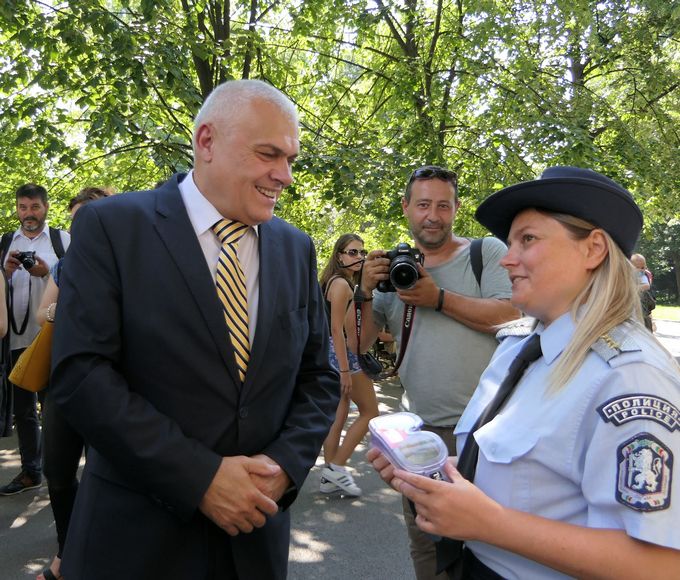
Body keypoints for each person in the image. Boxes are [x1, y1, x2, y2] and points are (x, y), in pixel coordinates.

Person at [50, 79, 339, 580]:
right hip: (136, 544)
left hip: (256, 541)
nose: (285, 175)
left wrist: (283, 468)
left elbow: (320, 376)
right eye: (269, 154)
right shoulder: (111, 227)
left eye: (291, 159)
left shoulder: (296, 248)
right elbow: (81, 374)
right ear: (206, 141)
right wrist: (200, 478)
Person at [370, 166, 680, 579]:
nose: (508, 258)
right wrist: (431, 472)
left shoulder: (629, 376)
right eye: (511, 242)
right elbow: (529, 474)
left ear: (593, 250)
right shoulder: (520, 344)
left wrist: (489, 524)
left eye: (528, 239)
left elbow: (661, 565)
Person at [353, 166, 519, 579]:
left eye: (443, 206)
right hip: (423, 435)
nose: (433, 216)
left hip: (491, 432)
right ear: (406, 207)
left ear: (456, 208)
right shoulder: (394, 273)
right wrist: (364, 291)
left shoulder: (486, 253)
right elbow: (359, 344)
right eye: (423, 204)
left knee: (497, 548)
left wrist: (438, 298)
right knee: (428, 545)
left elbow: (512, 314)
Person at [35, 187, 109, 580]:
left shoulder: (129, 262)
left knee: (106, 475)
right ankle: (67, 552)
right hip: (64, 383)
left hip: (113, 388)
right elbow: (41, 314)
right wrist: (56, 309)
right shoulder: (66, 266)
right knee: (58, 473)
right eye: (75, 220)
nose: (81, 227)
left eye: (88, 217)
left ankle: (100, 553)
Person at [0, 184, 70, 495]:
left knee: (53, 408)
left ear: (46, 207)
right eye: (23, 207)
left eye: (34, 207)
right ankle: (31, 472)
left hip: (51, 339)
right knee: (23, 411)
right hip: (15, 339)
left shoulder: (61, 240)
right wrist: (5, 272)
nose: (28, 213)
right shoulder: (6, 242)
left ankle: (59, 474)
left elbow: (77, 280)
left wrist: (45, 272)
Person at [319, 233, 379, 497]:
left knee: (339, 413)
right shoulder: (342, 285)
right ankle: (338, 466)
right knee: (370, 412)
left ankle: (329, 474)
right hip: (344, 356)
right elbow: (336, 329)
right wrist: (344, 370)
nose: (359, 257)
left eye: (362, 252)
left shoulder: (332, 281)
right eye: (352, 252)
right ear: (339, 256)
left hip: (331, 354)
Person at [631, 253, 655, 331]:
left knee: (644, 316)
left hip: (642, 301)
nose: (641, 270)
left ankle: (649, 325)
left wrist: (636, 288)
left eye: (643, 267)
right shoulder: (627, 275)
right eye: (637, 267)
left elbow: (647, 286)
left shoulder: (643, 276)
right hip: (632, 303)